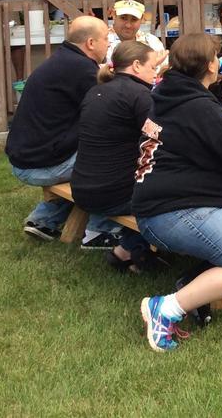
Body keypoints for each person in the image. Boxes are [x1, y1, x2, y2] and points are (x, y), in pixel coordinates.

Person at [132, 34, 222, 352]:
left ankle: (196, 287)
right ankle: (166, 308)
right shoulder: (197, 106)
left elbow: (206, 127)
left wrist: (211, 81)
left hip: (176, 193)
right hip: (169, 210)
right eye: (217, 56)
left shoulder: (169, 92)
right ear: (212, 64)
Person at [5, 16, 118, 247]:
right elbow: (113, 108)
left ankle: (44, 220)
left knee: (91, 152)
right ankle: (100, 230)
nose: (109, 43)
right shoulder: (81, 69)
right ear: (90, 43)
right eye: (106, 38)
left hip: (26, 158)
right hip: (41, 164)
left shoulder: (64, 59)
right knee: (116, 156)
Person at [71, 40, 159, 272]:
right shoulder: (139, 95)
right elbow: (163, 139)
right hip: (114, 194)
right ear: (137, 66)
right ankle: (136, 249)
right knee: (174, 187)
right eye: (153, 68)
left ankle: (126, 250)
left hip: (81, 186)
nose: (155, 74)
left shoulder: (96, 90)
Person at [105, 0, 166, 67]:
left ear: (142, 18)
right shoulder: (102, 41)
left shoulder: (152, 42)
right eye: (123, 18)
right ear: (114, 14)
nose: (128, 25)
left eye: (134, 19)